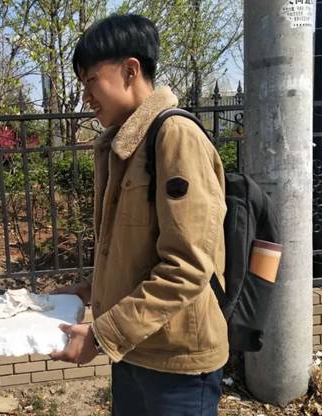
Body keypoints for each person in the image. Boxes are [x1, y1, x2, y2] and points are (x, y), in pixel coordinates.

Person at [49, 14, 228, 415]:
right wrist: (90, 291)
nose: (87, 96)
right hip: (134, 351)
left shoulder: (175, 137)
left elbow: (187, 266)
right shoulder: (126, 145)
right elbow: (135, 253)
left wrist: (100, 335)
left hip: (177, 366)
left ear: (130, 70)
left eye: (91, 81)